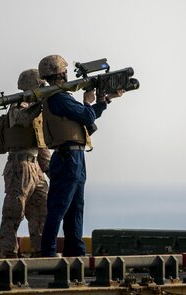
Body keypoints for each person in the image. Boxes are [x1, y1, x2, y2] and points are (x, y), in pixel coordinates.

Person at [39, 54, 123, 257]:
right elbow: (86, 115)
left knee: (75, 209)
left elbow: (86, 116)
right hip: (68, 158)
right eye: (64, 71)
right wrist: (88, 101)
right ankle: (48, 255)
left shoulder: (60, 98)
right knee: (59, 208)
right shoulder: (58, 98)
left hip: (74, 157)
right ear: (60, 73)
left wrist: (105, 101)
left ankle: (75, 254)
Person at [0, 69, 51, 258]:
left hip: (35, 166)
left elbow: (41, 143)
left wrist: (49, 169)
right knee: (14, 211)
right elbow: (23, 118)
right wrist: (40, 104)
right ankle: (9, 252)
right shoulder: (17, 107)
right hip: (19, 165)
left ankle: (39, 250)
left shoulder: (37, 108)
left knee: (41, 211)